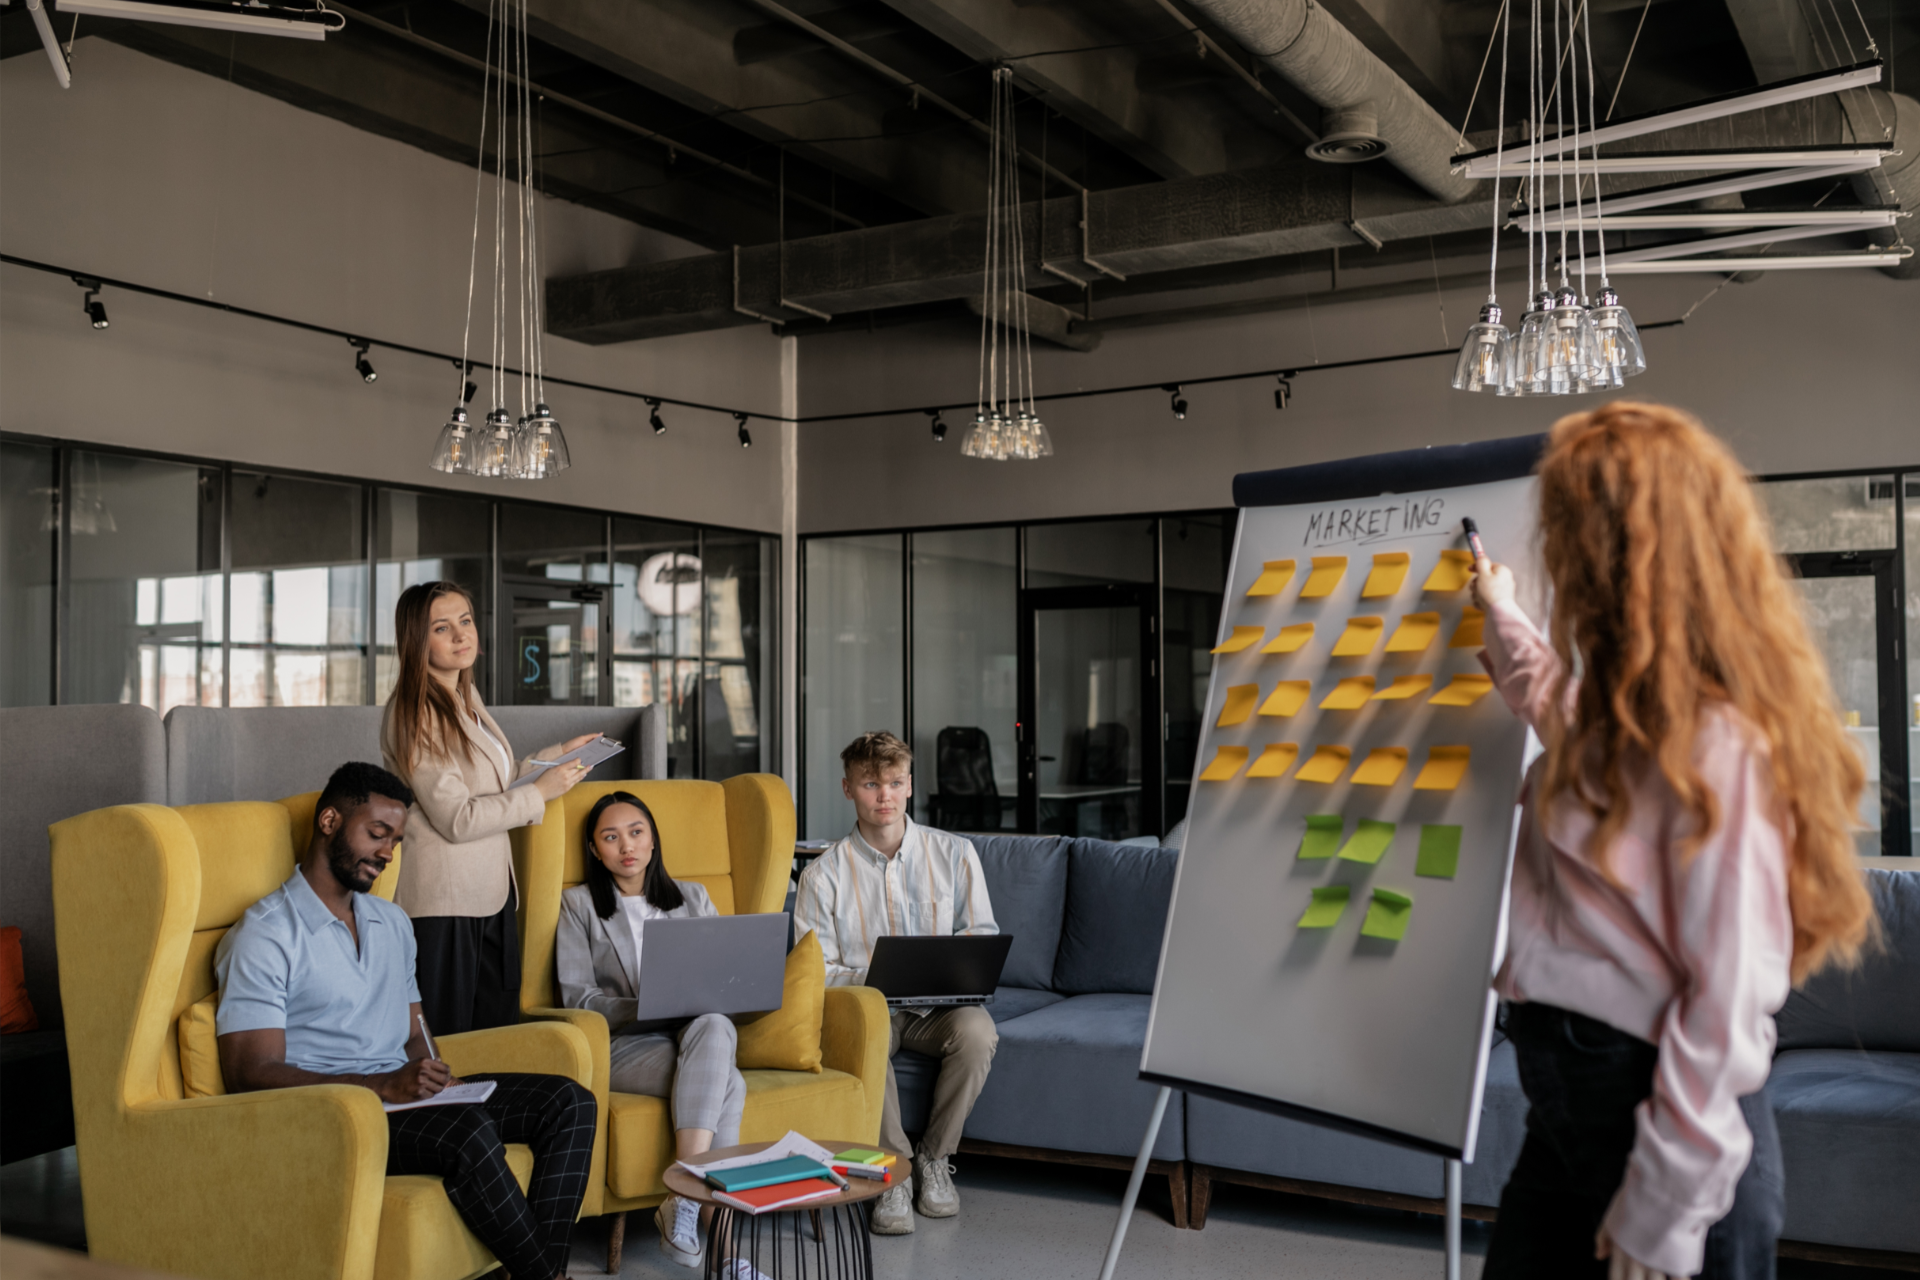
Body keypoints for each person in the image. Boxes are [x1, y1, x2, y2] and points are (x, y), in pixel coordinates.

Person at [1472, 403, 1875, 1280]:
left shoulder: (1720, 745)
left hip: (1658, 1126)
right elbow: (1549, 696)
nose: (1555, 553)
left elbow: (1726, 1004)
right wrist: (1497, 607)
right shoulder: (1625, 718)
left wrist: (1662, 1209)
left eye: (1567, 530)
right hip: (1572, 1109)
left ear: (1625, 555)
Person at [215, 762, 597, 1280]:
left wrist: (438, 1077)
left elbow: (416, 1031)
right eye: (376, 834)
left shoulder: (390, 921)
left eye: (395, 840)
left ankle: (541, 1272)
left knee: (568, 1102)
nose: (386, 853)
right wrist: (379, 1085)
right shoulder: (266, 934)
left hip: (403, 1100)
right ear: (329, 821)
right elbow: (248, 1071)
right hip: (332, 1115)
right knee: (466, 1132)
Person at [792, 731, 1000, 1237]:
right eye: (870, 784)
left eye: (894, 782)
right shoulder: (823, 875)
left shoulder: (955, 854)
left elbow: (980, 935)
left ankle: (934, 1158)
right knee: (870, 1038)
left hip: (938, 1009)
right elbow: (813, 968)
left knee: (979, 1034)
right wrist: (876, 978)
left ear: (910, 786)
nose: (883, 795)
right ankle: (893, 1172)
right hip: (867, 1007)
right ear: (848, 789)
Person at [382, 580, 599, 1034]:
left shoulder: (465, 697)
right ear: (417, 641)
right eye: (443, 628)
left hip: (491, 893)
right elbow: (458, 818)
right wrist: (540, 792)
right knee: (450, 1044)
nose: (462, 635)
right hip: (445, 904)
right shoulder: (415, 711)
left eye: (465, 621)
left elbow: (494, 781)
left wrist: (558, 756)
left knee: (493, 1038)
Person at [556, 791, 747, 1271]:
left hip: (696, 1037)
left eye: (637, 831)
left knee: (715, 1023)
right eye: (611, 836)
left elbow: (725, 976)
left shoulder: (694, 897)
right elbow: (577, 998)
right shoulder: (578, 904)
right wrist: (645, 1004)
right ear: (595, 847)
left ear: (653, 839)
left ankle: (687, 1203)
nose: (627, 845)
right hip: (625, 1045)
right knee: (729, 1080)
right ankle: (724, 1252)